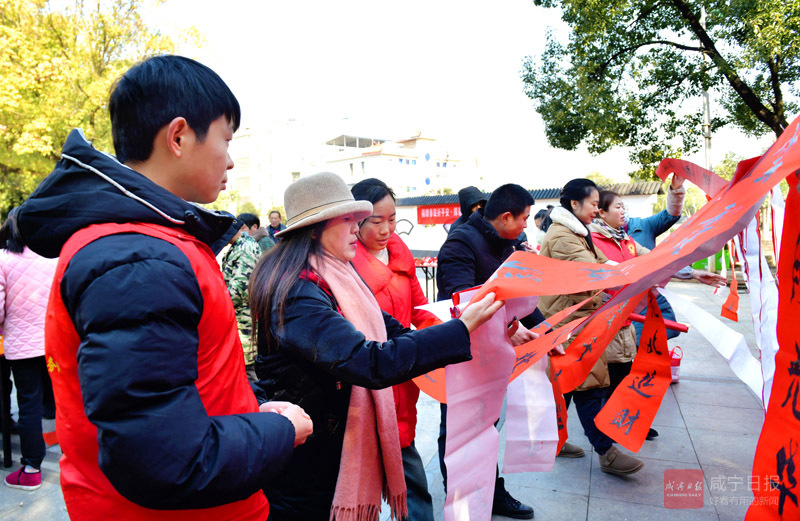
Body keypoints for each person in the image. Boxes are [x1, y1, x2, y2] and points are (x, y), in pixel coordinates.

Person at [15, 55, 312, 520]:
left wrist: (251, 406)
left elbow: (182, 381)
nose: (231, 160)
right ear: (178, 137)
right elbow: (166, 460)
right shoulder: (137, 257)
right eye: (226, 140)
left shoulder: (149, 243)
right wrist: (279, 431)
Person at [250, 172, 503, 521]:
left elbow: (391, 329)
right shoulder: (297, 290)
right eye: (348, 220)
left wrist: (463, 330)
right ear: (314, 228)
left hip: (331, 440)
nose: (358, 229)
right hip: (307, 452)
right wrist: (460, 330)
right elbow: (368, 361)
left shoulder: (339, 275)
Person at [436, 183, 548, 520]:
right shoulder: (461, 243)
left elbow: (520, 296)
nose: (527, 225)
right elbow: (462, 303)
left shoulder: (510, 244)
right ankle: (462, 498)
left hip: (495, 354)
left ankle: (491, 491)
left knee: (487, 426)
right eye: (524, 218)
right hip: (462, 356)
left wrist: (546, 333)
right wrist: (510, 327)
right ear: (505, 216)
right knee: (460, 428)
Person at [539, 178, 644, 476]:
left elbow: (603, 263)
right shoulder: (563, 236)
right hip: (569, 325)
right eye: (595, 204)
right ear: (575, 203)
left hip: (578, 322)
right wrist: (630, 275)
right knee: (588, 387)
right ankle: (606, 452)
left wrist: (638, 271)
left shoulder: (577, 232)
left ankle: (554, 442)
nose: (597, 211)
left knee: (568, 387)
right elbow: (594, 272)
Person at [350, 178, 438, 521]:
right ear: (354, 219)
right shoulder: (341, 263)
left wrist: (451, 336)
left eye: (392, 219)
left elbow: (420, 310)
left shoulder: (400, 255)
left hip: (401, 373)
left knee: (407, 462)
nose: (387, 229)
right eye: (376, 221)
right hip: (362, 376)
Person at [0, 208, 58, 491]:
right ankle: (65, 446)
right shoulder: (53, 257)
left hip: (22, 350)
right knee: (59, 396)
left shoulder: (3, 260)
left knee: (29, 406)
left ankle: (32, 469)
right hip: (54, 345)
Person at [222, 215, 263, 381]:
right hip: (239, 322)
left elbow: (239, 290)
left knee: (249, 375)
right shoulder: (237, 246)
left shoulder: (245, 247)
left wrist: (215, 302)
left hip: (244, 324)